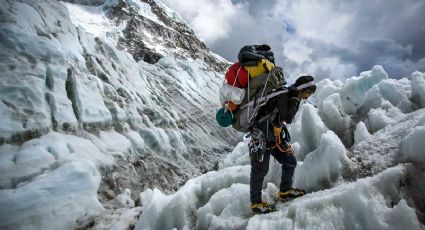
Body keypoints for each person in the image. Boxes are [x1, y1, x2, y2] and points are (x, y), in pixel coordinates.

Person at [249, 75, 316, 214]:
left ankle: (285, 191)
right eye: (307, 93)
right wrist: (294, 100)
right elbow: (288, 117)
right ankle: (256, 204)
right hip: (262, 136)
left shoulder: (289, 95)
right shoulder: (284, 95)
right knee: (259, 170)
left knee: (290, 161)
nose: (307, 97)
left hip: (273, 137)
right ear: (302, 89)